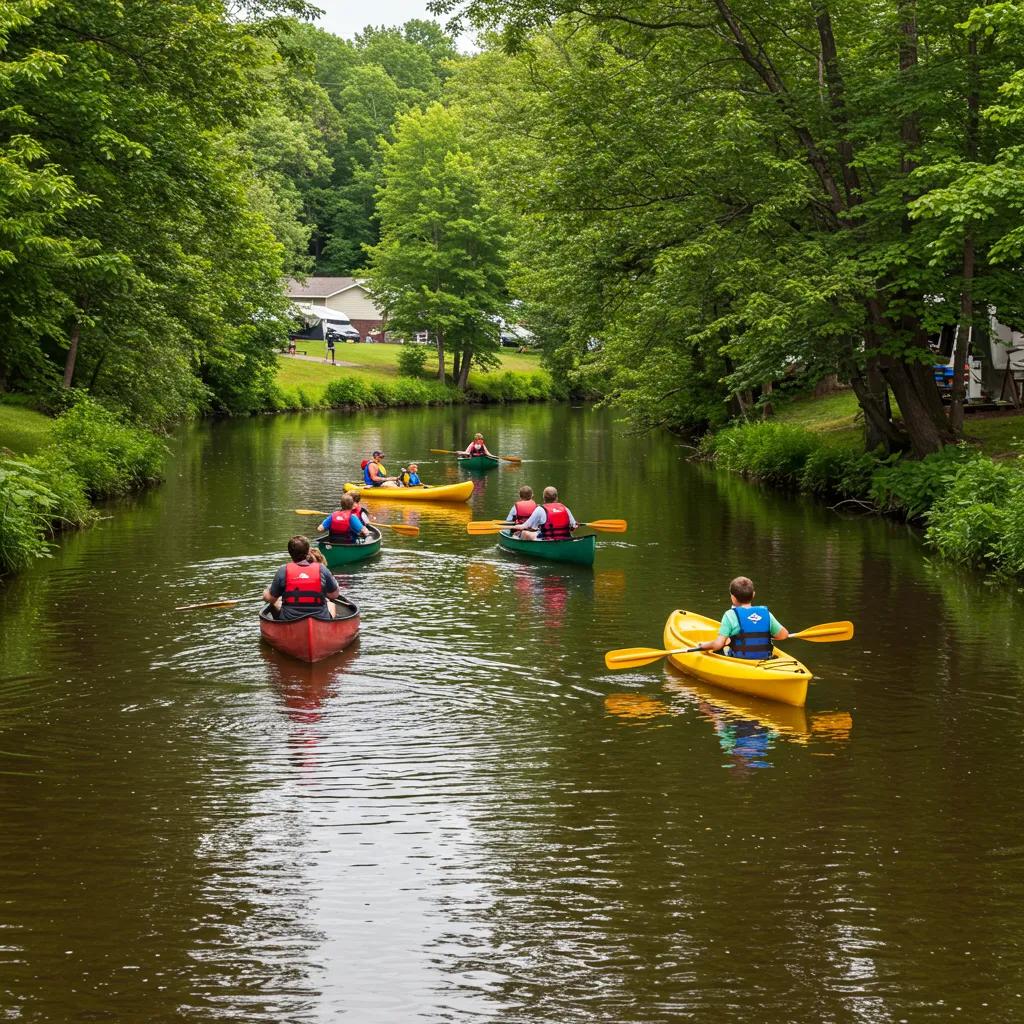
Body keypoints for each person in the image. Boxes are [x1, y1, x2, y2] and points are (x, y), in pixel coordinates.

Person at [693, 576, 790, 660]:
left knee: (720, 648)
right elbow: (784, 635)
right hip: (764, 658)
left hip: (740, 661)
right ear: (753, 595)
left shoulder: (730, 615)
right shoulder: (766, 614)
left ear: (733, 597)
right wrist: (762, 633)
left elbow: (718, 644)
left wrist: (703, 646)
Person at [263, 535, 341, 620]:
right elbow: (334, 595)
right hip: (319, 618)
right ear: (308, 551)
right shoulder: (322, 569)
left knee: (275, 602)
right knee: (331, 604)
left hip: (290, 619)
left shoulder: (283, 570)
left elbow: (271, 599)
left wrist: (265, 592)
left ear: (289, 552)